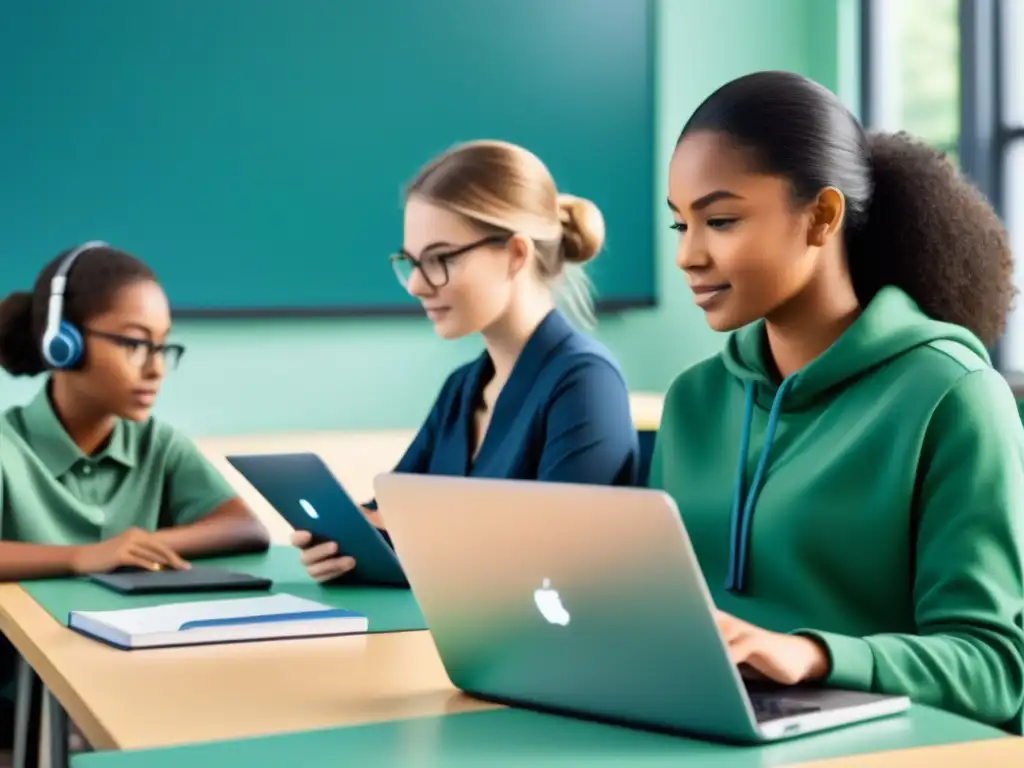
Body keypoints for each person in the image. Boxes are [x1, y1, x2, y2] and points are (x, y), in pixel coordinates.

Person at [653, 70, 1024, 732]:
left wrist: (816, 655)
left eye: (721, 220)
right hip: (703, 733)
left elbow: (995, 666)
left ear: (822, 216)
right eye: (680, 223)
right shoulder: (694, 401)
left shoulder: (951, 396)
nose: (688, 254)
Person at [293, 140, 641, 582]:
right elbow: (393, 512)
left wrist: (409, 536)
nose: (416, 284)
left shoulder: (586, 383)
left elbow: (554, 559)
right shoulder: (463, 388)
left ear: (516, 254)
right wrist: (347, 545)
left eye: (439, 259)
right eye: (411, 262)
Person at [0, 242, 270, 578]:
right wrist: (81, 557)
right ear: (63, 345)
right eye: (135, 344)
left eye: (161, 346)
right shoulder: (6, 448)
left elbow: (245, 527)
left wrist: (137, 544)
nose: (157, 369)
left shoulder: (158, 443)